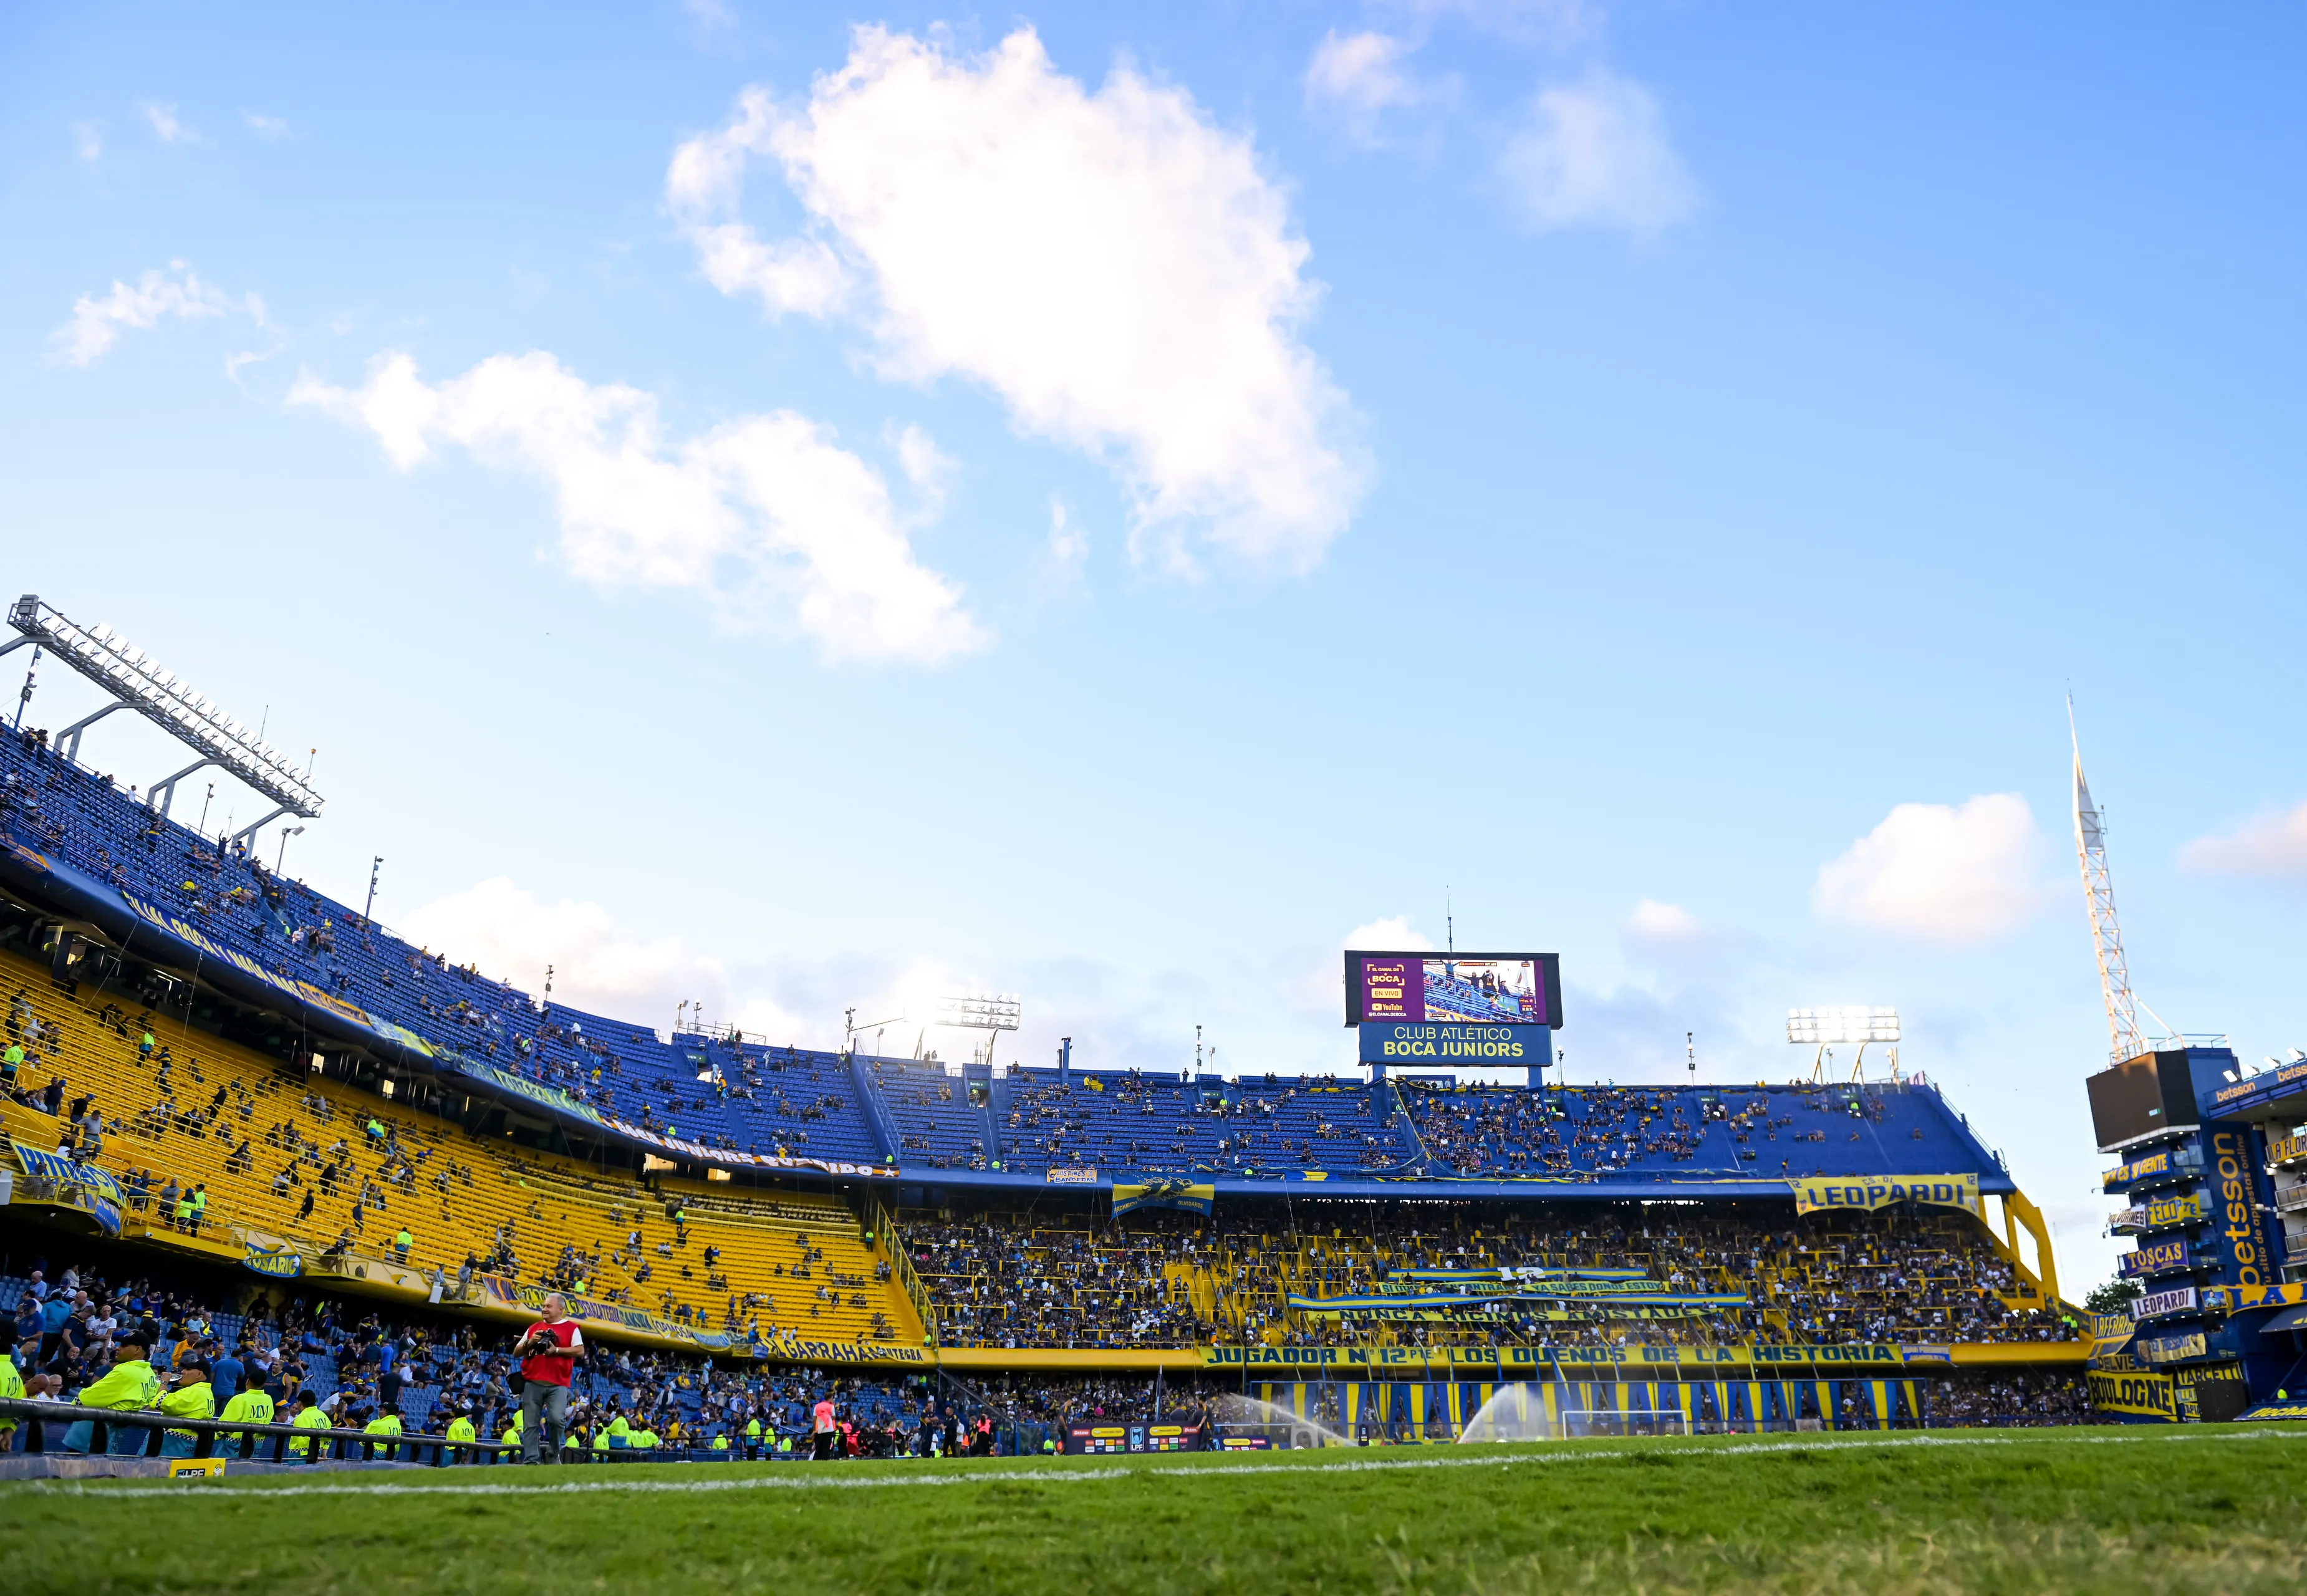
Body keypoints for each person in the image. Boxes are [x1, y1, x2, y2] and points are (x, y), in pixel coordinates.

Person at [158, 1360, 216, 1458]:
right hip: (190, 1443)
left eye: (188, 1369)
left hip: (173, 1442)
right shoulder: (208, 1393)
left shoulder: (193, 1391)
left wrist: (164, 1383)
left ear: (199, 1374)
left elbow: (159, 1402)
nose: (183, 1372)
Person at [218, 1380, 276, 1460]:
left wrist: (218, 1434)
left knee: (223, 1469)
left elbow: (227, 1422)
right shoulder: (268, 1399)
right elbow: (269, 1417)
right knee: (248, 1470)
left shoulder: (239, 1398)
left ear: (247, 1381)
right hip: (257, 1443)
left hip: (234, 1443)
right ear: (263, 1384)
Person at [289, 1391, 331, 1461]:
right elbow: (328, 1438)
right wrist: (323, 1455)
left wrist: (313, 1457)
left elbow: (303, 1441)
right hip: (318, 1455)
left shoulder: (302, 1417)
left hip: (300, 1457)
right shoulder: (323, 1416)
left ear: (299, 1403)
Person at [811, 1393, 837, 1461]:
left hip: (819, 1429)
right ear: (830, 1398)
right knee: (826, 1448)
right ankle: (824, 1462)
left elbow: (814, 1418)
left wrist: (814, 1430)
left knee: (818, 1448)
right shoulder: (831, 1406)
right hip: (828, 1429)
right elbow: (833, 1417)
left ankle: (816, 1461)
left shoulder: (817, 1406)